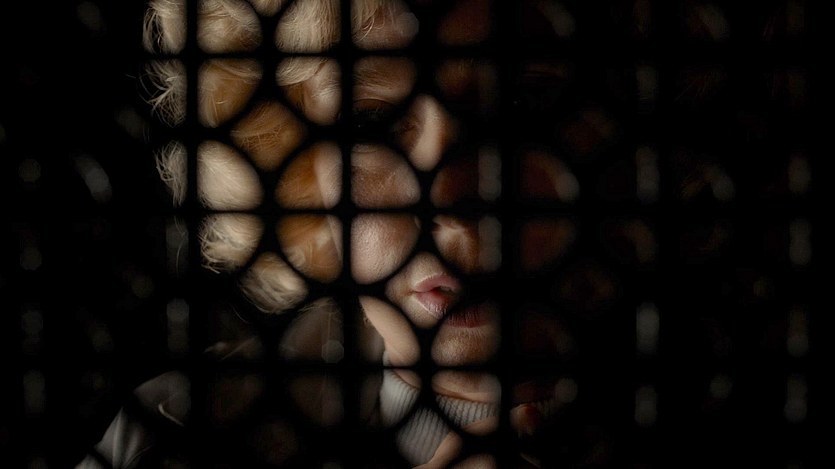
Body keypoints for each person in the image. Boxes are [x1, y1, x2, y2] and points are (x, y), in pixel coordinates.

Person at [78, 0, 580, 467]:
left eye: (521, 104)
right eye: (370, 123)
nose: (444, 195)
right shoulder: (158, 440)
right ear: (298, 165)